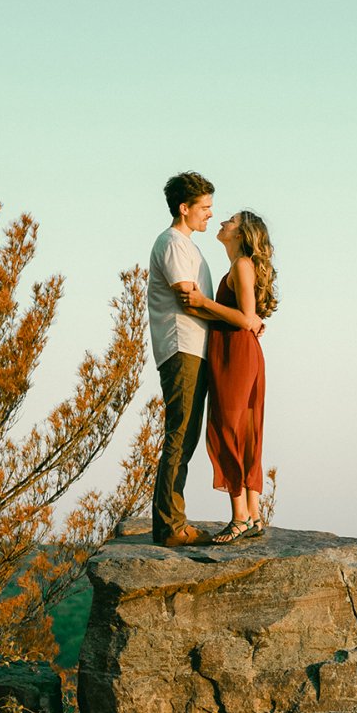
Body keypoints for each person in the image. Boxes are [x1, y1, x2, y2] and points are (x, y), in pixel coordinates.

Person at [179, 210, 277, 544]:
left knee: (228, 429)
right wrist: (200, 306)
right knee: (245, 431)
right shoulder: (240, 267)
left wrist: (202, 301)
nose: (222, 222)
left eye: (231, 221)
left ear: (243, 233)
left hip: (236, 355)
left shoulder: (241, 265)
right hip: (239, 352)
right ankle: (252, 514)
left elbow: (246, 317)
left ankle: (238, 517)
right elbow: (245, 317)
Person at [147, 172, 222, 547]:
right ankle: (170, 527)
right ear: (184, 208)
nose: (210, 214)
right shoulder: (173, 243)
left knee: (187, 436)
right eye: (205, 207)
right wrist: (237, 318)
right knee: (180, 435)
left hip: (195, 348)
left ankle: (173, 521)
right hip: (182, 347)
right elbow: (188, 299)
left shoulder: (190, 246)